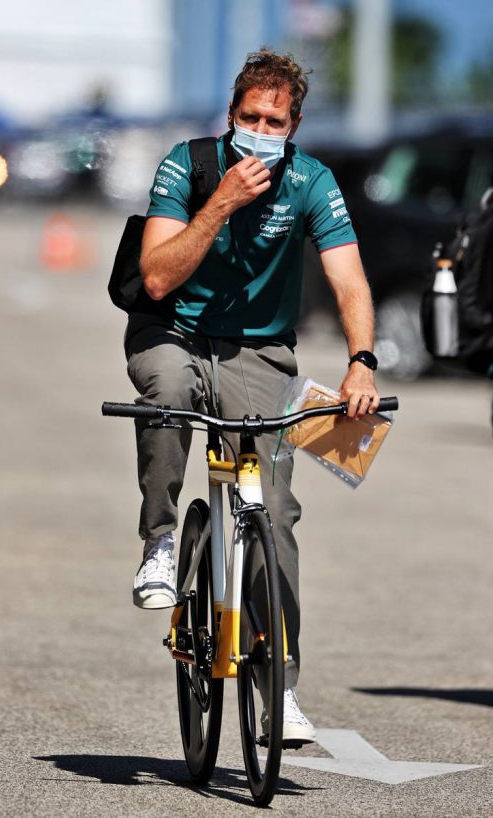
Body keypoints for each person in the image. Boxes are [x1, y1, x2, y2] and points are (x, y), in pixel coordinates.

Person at [123, 48, 380, 746]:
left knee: (274, 512)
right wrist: (221, 203)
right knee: (170, 391)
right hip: (171, 330)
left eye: (274, 121)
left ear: (292, 127)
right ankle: (161, 539)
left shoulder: (310, 181)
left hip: (258, 352)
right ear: (229, 116)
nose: (260, 129)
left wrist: (360, 362)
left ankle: (279, 688)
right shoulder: (188, 164)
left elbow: (350, 281)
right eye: (249, 117)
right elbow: (154, 277)